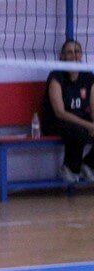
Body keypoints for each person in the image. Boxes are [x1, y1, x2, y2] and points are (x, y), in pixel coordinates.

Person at [41, 39, 94, 183]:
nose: (74, 55)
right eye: (69, 52)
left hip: (80, 120)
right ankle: (70, 168)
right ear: (62, 56)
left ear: (81, 55)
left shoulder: (87, 76)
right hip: (55, 122)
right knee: (80, 131)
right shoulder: (56, 77)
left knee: (82, 129)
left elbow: (93, 106)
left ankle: (88, 165)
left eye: (77, 52)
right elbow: (60, 112)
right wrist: (89, 125)